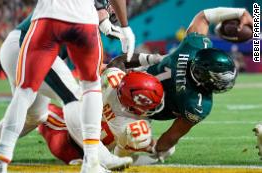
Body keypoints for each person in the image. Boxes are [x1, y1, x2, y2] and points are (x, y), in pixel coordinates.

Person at [0, 0, 135, 172]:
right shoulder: (93, 11)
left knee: (35, 114)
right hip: (21, 43)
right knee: (74, 94)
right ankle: (97, 157)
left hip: (33, 37)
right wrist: (122, 25)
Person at [107, 7, 253, 162]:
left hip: (128, 83)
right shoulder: (197, 104)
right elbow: (170, 137)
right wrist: (155, 149)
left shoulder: (195, 46)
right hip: (138, 111)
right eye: (220, 80)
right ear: (204, 78)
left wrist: (240, 13)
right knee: (146, 146)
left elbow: (203, 17)